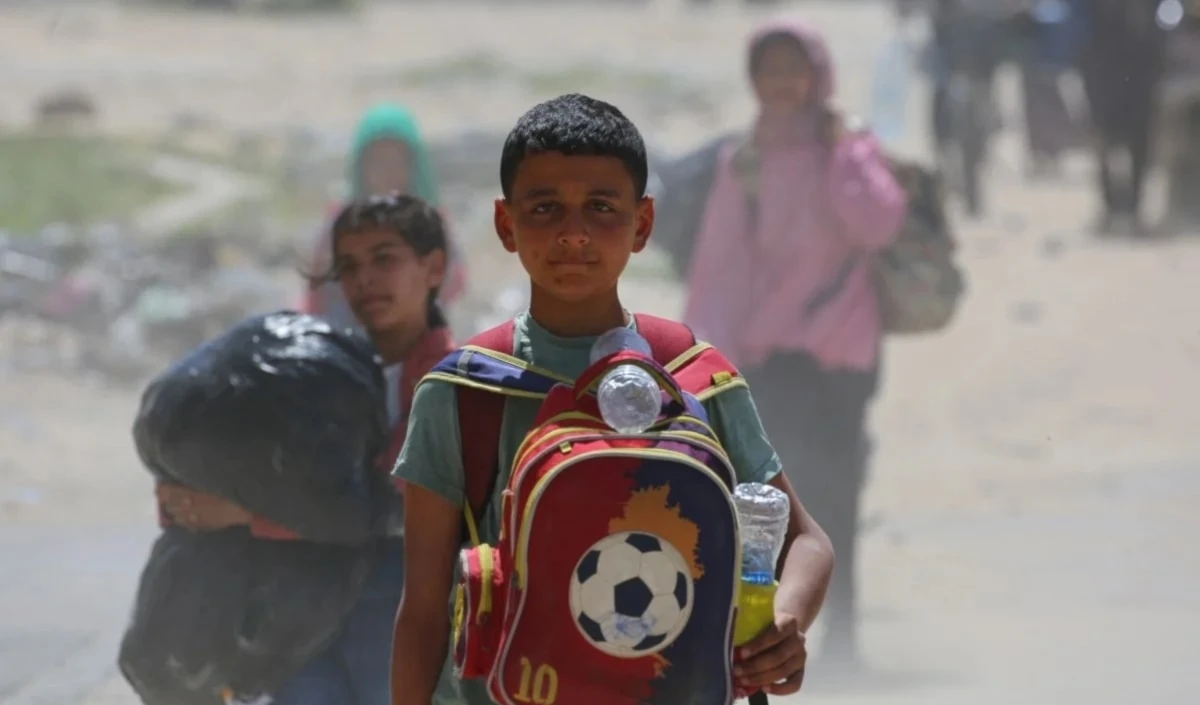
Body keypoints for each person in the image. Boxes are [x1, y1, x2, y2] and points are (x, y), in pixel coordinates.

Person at [390, 93, 834, 705]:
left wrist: (786, 621)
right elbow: (422, 609)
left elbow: (805, 541)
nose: (573, 234)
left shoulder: (694, 379)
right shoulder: (462, 393)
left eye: (601, 208)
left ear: (642, 223)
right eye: (544, 208)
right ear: (505, 225)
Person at [157, 193, 456, 705]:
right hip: (299, 614)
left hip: (401, 611)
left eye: (385, 259)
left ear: (433, 267)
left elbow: (399, 509)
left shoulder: (458, 381)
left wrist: (243, 513)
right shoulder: (313, 372)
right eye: (350, 265)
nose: (365, 280)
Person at [681, 20, 907, 673]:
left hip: (842, 355)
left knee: (840, 492)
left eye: (792, 69)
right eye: (768, 71)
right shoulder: (743, 161)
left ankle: (848, 629)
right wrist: (703, 364)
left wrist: (842, 154)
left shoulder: (850, 146)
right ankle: (776, 628)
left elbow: (877, 224)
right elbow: (719, 268)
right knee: (774, 501)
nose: (781, 83)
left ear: (816, 74)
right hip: (767, 359)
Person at [302, 103, 466, 329]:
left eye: (396, 161)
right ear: (361, 167)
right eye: (378, 162)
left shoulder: (431, 222)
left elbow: (453, 282)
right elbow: (316, 289)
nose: (388, 171)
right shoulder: (340, 222)